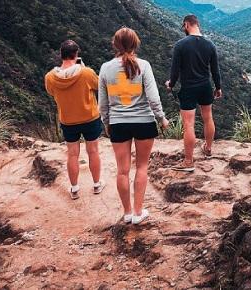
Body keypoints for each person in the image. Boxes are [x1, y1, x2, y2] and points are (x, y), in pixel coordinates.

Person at [99, 27, 169, 225]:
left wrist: (106, 123)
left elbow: (102, 102)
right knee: (142, 166)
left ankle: (128, 212)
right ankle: (139, 212)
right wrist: (161, 118)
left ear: (115, 45)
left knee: (122, 171)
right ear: (135, 44)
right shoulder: (144, 65)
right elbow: (153, 97)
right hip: (144, 122)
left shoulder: (105, 68)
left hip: (118, 123)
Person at [44, 40, 105, 200]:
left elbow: (51, 92)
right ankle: (97, 184)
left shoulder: (50, 77)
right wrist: (83, 68)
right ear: (76, 55)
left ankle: (75, 188)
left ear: (61, 55)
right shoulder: (86, 73)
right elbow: (98, 86)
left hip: (68, 120)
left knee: (72, 154)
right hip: (89, 117)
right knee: (93, 151)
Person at [165, 14, 222, 172]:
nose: (183, 29)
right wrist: (218, 87)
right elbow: (215, 70)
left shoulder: (181, 45)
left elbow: (175, 71)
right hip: (205, 86)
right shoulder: (210, 45)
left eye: (183, 26)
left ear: (187, 24)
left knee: (188, 124)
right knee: (208, 118)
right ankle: (208, 149)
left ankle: (189, 162)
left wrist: (171, 84)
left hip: (189, 87)